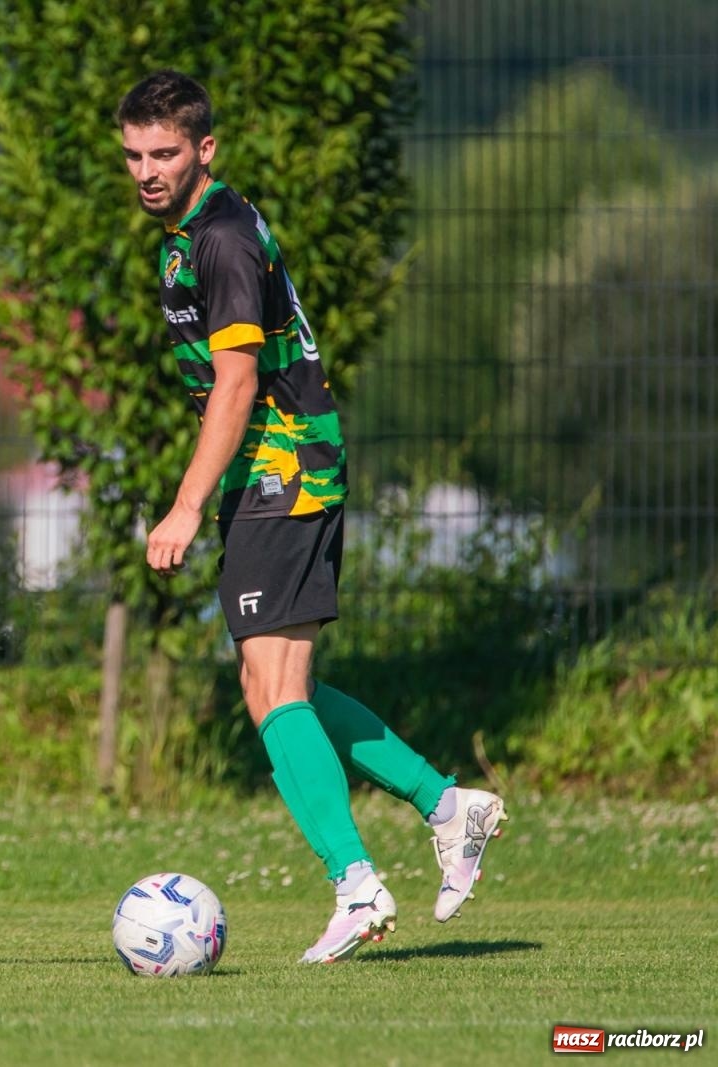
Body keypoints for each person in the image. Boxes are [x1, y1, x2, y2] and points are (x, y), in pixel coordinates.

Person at [115, 72, 508, 964]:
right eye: (134, 154)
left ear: (203, 151)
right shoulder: (191, 233)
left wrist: (183, 505)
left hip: (283, 465)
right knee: (279, 683)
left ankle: (357, 884)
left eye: (164, 153)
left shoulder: (217, 239)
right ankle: (448, 806)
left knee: (271, 689)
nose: (146, 170)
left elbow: (239, 381)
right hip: (282, 465)